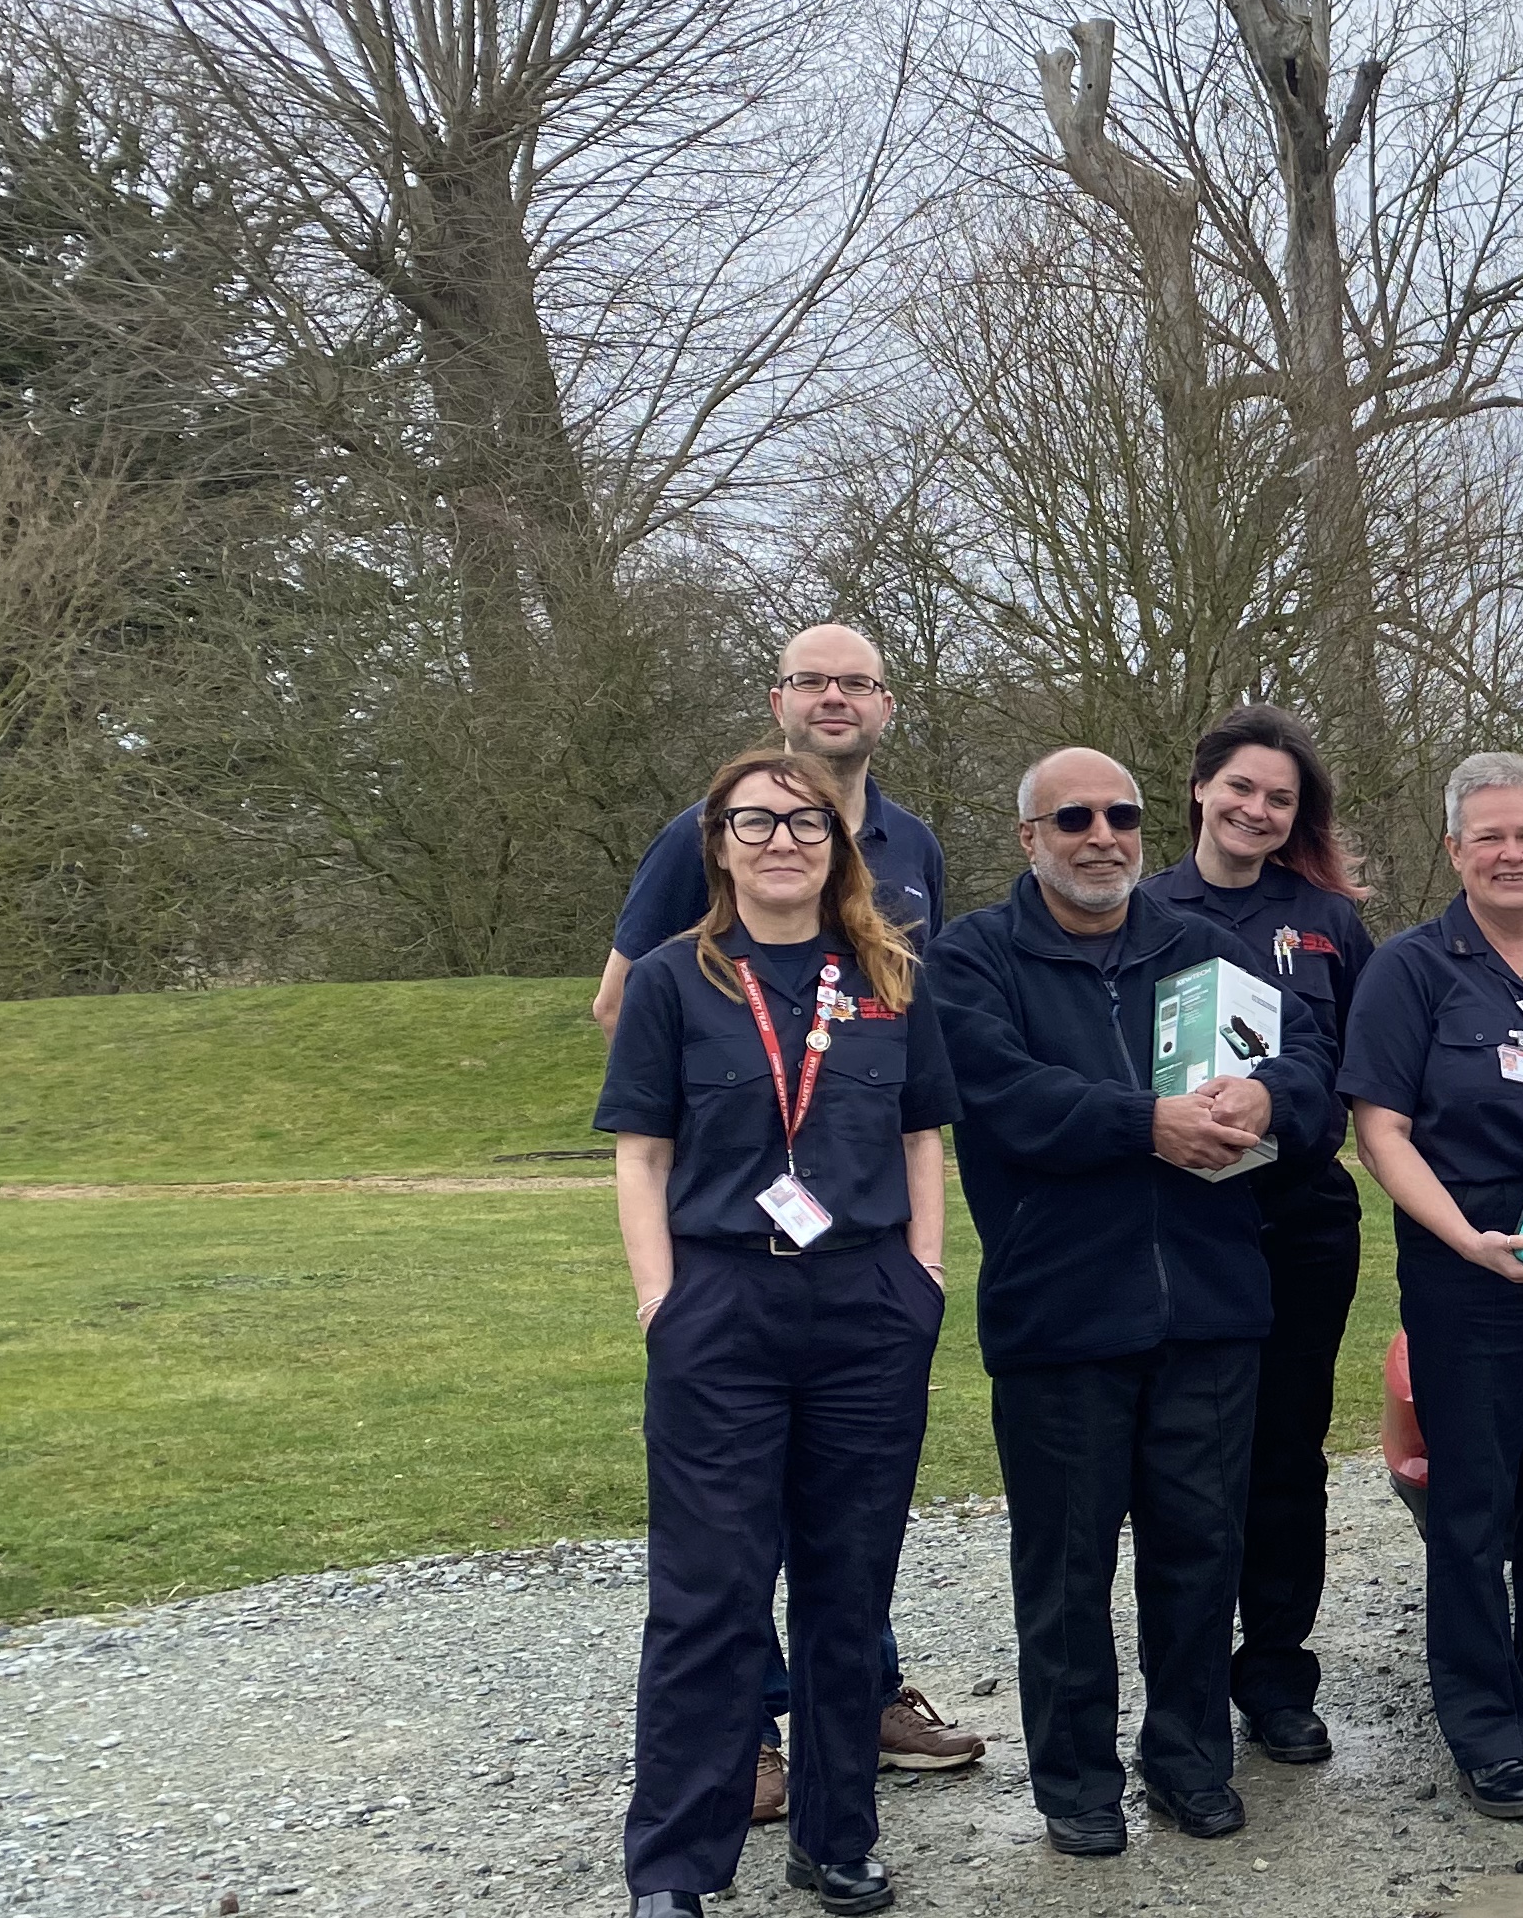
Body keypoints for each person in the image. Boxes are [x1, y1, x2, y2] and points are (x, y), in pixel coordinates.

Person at [591, 619, 981, 1808]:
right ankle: (751, 1737)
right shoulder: (704, 833)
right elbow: (624, 1001)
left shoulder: (910, 846)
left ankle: (857, 1705)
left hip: (861, 1246)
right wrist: (741, 1095)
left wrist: (921, 1260)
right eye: (811, 680)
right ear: (779, 699)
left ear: (887, 707)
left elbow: (917, 1043)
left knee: (846, 1520)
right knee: (726, 1526)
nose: (833, 699)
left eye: (854, 682)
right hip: (732, 1232)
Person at [932, 749, 1332, 1855]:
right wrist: (1145, 1122)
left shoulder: (1202, 951)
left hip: (1209, 1307)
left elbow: (1308, 1072)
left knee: (1201, 1550)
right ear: (1030, 837)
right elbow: (1008, 1100)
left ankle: (1190, 1762)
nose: (1101, 834)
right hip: (1062, 1317)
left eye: (1122, 815)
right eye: (1073, 817)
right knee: (1066, 1567)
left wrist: (1267, 1092)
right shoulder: (973, 958)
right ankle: (1074, 1781)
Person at [1341, 752, 1523, 1823]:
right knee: (1475, 1503)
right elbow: (1380, 1129)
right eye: (1491, 837)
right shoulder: (1412, 972)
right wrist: (1469, 1239)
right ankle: (1485, 1726)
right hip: (1467, 1264)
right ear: (1456, 849)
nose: (1513, 854)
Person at [1140, 702, 1378, 1768]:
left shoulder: (1328, 919)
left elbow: (1362, 1070)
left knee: (1289, 1453)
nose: (1257, 809)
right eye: (1240, 787)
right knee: (1189, 1460)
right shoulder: (1140, 911)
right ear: (1199, 788)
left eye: (1280, 798)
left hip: (1302, 1221)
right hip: (1185, 1223)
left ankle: (1277, 1673)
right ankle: (1181, 1684)